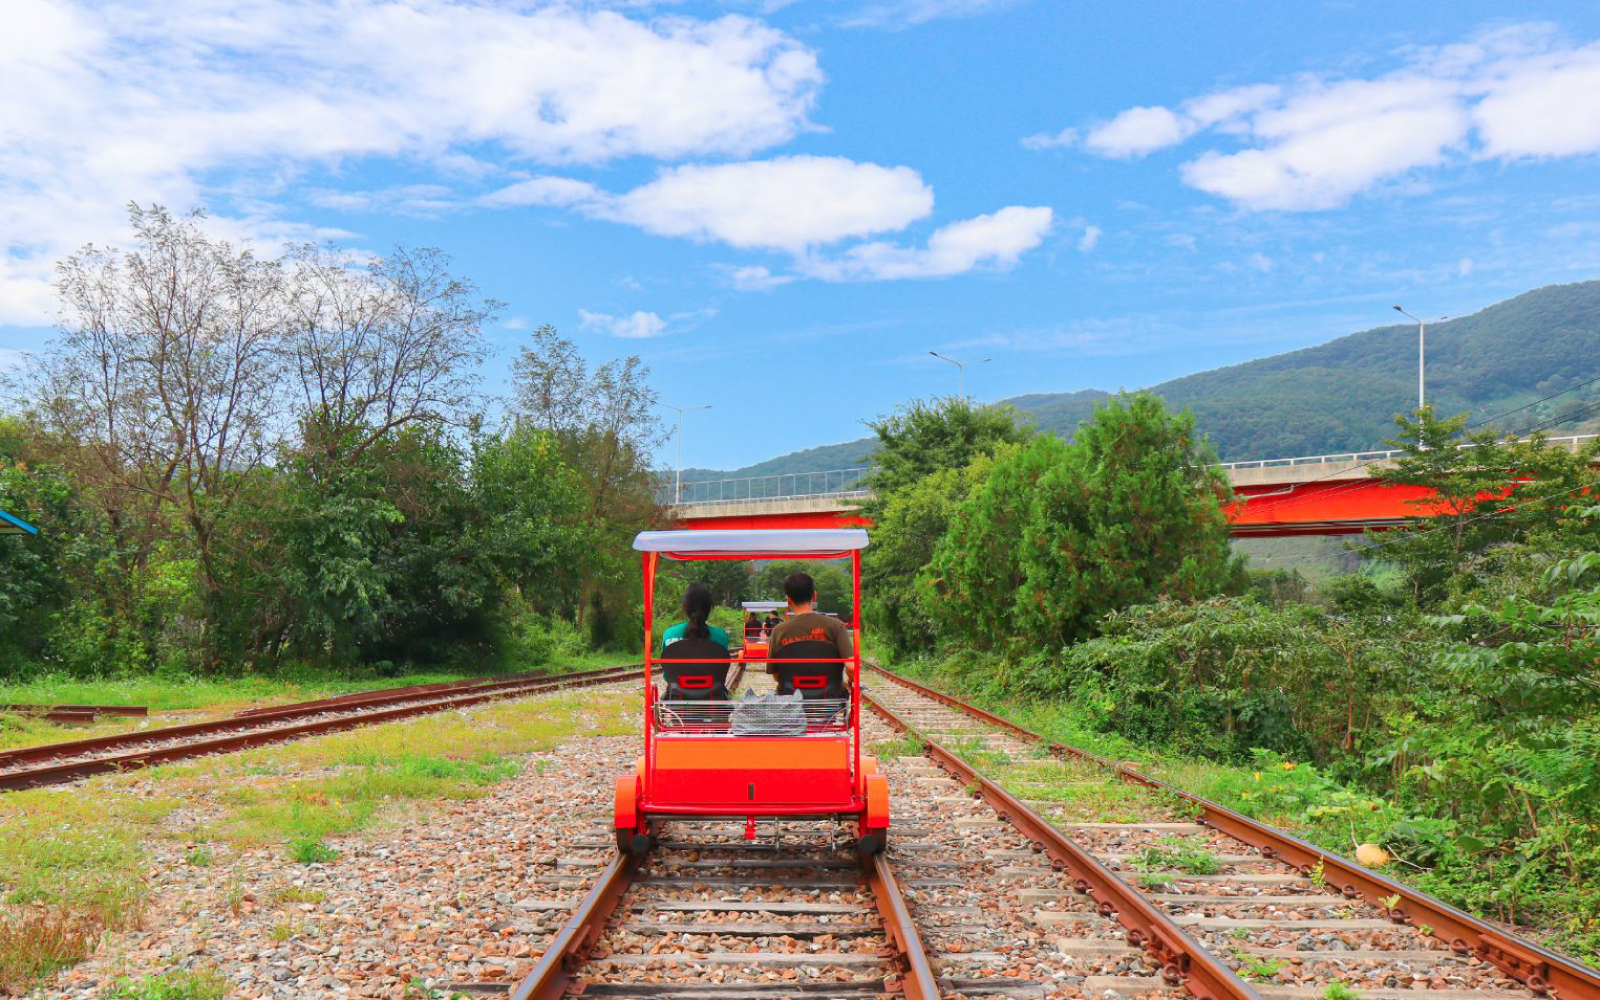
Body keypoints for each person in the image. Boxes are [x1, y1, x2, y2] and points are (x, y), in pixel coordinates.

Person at [768, 572, 853, 660]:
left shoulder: (778, 631)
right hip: (827, 674)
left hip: (791, 674)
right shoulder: (836, 625)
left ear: (788, 600)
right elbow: (851, 666)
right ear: (815, 596)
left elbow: (775, 672)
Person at [659, 582, 730, 655]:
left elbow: (665, 665)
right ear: (708, 609)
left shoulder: (669, 635)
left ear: (686, 608)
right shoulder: (722, 637)